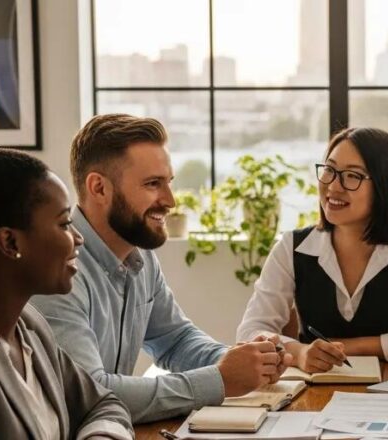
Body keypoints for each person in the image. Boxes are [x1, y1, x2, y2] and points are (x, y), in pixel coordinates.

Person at [30, 114, 290, 423]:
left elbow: (175, 339)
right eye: (153, 184)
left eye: (168, 183)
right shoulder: (56, 270)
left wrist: (246, 363)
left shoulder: (139, 255)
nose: (170, 201)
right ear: (99, 188)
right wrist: (219, 380)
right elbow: (92, 392)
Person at [236, 127, 388, 371]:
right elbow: (250, 331)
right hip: (313, 393)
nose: (333, 187)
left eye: (352, 176)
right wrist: (300, 351)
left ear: (385, 186)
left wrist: (356, 347)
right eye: (329, 170)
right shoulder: (292, 247)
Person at [0, 149, 133, 439]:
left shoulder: (30, 326)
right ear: (10, 242)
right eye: (64, 224)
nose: (78, 238)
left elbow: (105, 405)